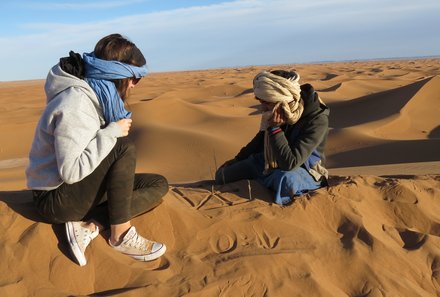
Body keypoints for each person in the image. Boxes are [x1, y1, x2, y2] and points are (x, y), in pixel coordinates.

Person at [26, 34, 169, 266]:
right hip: (54, 198)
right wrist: (111, 133)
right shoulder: (76, 103)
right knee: (122, 147)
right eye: (133, 78)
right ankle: (120, 235)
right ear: (115, 75)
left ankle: (91, 225)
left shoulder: (98, 96)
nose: (134, 85)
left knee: (157, 183)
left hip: (73, 190)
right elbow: (70, 172)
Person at [215, 70, 329, 205]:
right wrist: (238, 159)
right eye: (260, 101)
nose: (262, 108)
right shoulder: (278, 110)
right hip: (267, 161)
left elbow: (290, 163)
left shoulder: (316, 120)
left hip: (303, 169)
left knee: (285, 179)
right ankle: (264, 180)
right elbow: (261, 139)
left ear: (283, 100)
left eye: (267, 102)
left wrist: (275, 128)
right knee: (222, 176)